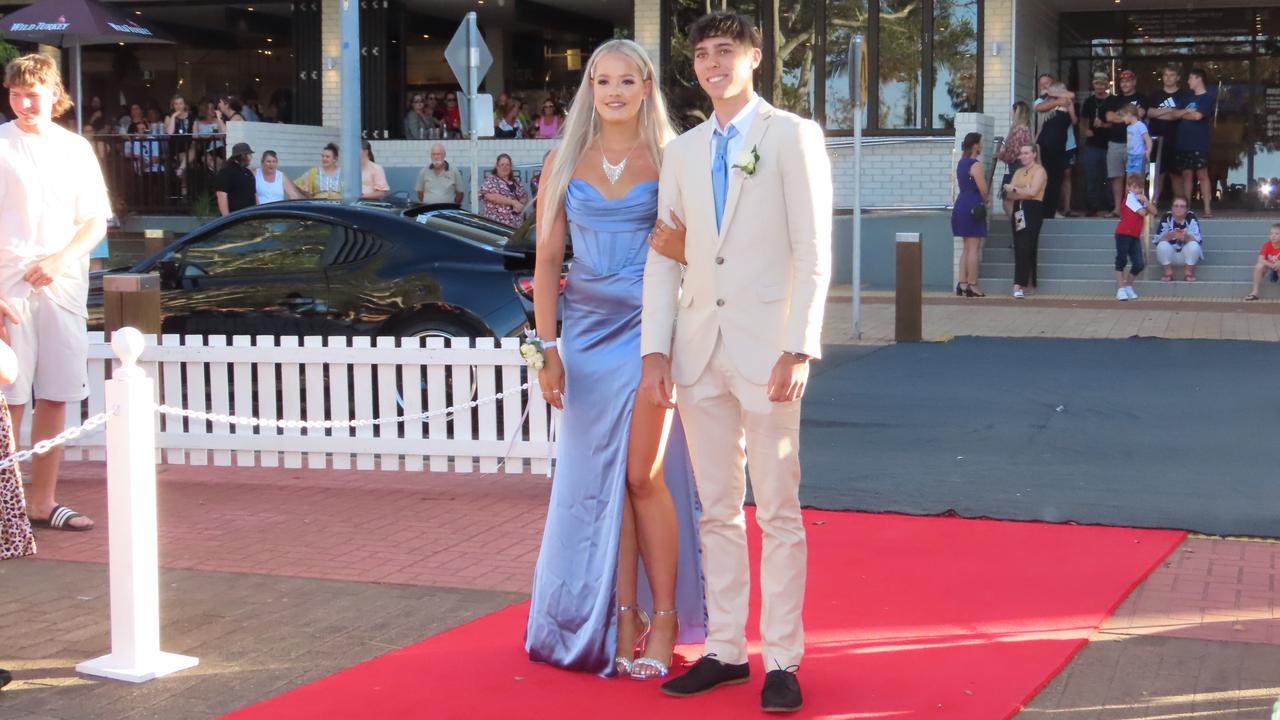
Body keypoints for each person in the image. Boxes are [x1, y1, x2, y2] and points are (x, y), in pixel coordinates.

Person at [641, 12, 832, 713]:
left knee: (778, 509)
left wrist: (801, 343)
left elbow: (814, 250)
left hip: (769, 351)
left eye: (727, 51)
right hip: (697, 355)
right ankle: (725, 650)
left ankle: (782, 657)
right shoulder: (683, 151)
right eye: (702, 53)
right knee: (717, 510)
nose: (713, 63)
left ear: (755, 58)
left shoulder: (792, 138)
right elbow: (666, 256)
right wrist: (655, 350)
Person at [525, 38, 705, 681]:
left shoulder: (672, 157)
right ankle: (620, 619)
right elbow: (547, 264)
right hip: (585, 340)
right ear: (590, 89)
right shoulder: (563, 159)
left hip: (651, 337)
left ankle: (666, 618)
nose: (615, 91)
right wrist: (546, 351)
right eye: (603, 81)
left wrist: (684, 246)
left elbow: (699, 254)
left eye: (627, 81)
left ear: (647, 87)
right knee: (599, 485)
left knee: (641, 476)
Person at [0, 54, 113, 532]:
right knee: (10, 394)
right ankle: (8, 506)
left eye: (34, 93)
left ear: (54, 96)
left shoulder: (76, 149)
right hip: (8, 280)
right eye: (17, 93)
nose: (25, 102)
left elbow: (93, 221)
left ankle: (42, 502)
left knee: (56, 394)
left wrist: (60, 259)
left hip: (63, 283)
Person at [1003, 144, 1048, 299]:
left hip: (1033, 210)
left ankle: (1018, 284)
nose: (1023, 156)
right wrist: (1023, 191)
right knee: (1021, 243)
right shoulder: (1018, 171)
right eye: (1021, 153)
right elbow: (1009, 195)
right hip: (1019, 209)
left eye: (1026, 153)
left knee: (1027, 244)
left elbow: (1033, 192)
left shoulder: (1039, 171)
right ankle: (1028, 283)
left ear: (1034, 154)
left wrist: (1016, 189)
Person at [1104, 70, 1147, 218]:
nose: (1125, 84)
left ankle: (1131, 208)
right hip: (1115, 142)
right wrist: (1128, 116)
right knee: (1116, 177)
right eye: (1122, 81)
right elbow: (1109, 116)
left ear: (1134, 82)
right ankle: (1117, 209)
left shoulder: (1141, 97)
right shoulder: (1114, 99)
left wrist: (1120, 116)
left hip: (1134, 146)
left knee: (1133, 178)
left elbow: (1140, 113)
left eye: (1128, 81)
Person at [952, 132, 989, 297]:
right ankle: (972, 284)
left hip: (961, 204)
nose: (982, 145)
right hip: (973, 205)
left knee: (966, 248)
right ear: (975, 145)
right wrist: (986, 199)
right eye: (981, 143)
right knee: (974, 247)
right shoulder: (976, 165)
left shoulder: (961, 163)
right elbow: (983, 189)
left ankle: (962, 282)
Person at [1175, 68, 1215, 218]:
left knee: (1202, 174)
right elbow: (1174, 113)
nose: (1188, 81)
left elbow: (1199, 116)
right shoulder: (1187, 97)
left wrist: (1184, 113)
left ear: (1198, 79)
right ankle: (1186, 208)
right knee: (1186, 175)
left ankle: (1207, 208)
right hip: (1183, 142)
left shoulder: (1207, 97)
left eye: (1190, 78)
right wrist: (1187, 113)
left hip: (1199, 142)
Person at [1146, 64, 1189, 204]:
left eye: (1171, 75)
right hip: (1157, 140)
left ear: (1178, 78)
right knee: (1158, 174)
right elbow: (1149, 112)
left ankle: (1181, 208)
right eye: (1165, 75)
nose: (1168, 78)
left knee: (1177, 176)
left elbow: (1179, 116)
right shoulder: (1155, 94)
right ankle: (1153, 206)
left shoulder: (1184, 95)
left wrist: (1164, 113)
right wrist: (1170, 110)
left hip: (1177, 140)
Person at [1036, 82, 1075, 220]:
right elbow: (1038, 108)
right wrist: (1055, 99)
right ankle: (1045, 210)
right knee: (1046, 177)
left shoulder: (1067, 100)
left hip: (1059, 144)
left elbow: (1071, 98)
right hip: (1047, 144)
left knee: (1056, 178)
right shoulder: (1049, 105)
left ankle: (1051, 210)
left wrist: (1054, 95)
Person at [1113, 173, 1153, 301]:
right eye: (1134, 187)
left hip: (1134, 235)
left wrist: (1146, 201)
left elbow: (1154, 211)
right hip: (1123, 233)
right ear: (1129, 188)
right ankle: (1120, 288)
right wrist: (1147, 205)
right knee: (1121, 260)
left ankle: (1128, 286)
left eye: (1139, 187)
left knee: (1139, 263)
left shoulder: (1140, 200)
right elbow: (1143, 212)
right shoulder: (1130, 198)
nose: (1137, 190)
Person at [1080, 72, 1114, 216]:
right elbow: (1082, 120)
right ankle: (1092, 207)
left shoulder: (1114, 101)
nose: (1099, 86)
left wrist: (1104, 125)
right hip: (1092, 145)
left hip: (1111, 144)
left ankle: (1111, 206)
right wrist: (1085, 130)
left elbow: (1119, 122)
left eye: (1102, 83)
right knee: (1092, 177)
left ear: (1107, 84)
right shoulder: (1089, 101)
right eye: (1096, 83)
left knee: (1110, 177)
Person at [1154, 197, 1203, 282]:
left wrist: (1185, 236)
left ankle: (1188, 272)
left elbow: (1198, 240)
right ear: (1172, 208)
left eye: (1182, 206)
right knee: (1162, 245)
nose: (1178, 209)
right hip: (1170, 255)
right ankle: (1168, 272)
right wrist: (1172, 234)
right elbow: (1157, 240)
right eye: (1176, 206)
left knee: (1194, 246)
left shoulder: (1191, 217)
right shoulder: (1167, 216)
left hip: (1186, 255)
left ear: (1187, 209)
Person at [998, 101, 1033, 218]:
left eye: (1012, 111)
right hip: (1024, 170)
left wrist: (1000, 154)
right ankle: (1020, 227)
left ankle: (1019, 227)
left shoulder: (1017, 131)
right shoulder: (1027, 130)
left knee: (1009, 201)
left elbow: (1012, 154)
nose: (1010, 113)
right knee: (1017, 202)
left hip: (1016, 170)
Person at [480, 153, 529, 227]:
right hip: (497, 226)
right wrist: (513, 202)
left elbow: (524, 196)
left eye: (507, 164)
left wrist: (520, 205)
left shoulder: (516, 183)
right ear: (497, 166)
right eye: (502, 165)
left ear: (511, 166)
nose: (505, 167)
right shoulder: (491, 180)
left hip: (515, 226)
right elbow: (492, 197)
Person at [214, 142, 256, 216]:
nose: (251, 157)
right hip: (235, 219)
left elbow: (254, 194)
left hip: (250, 217)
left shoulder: (248, 172)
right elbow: (221, 195)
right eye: (249, 154)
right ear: (243, 155)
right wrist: (226, 219)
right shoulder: (226, 172)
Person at [1244, 224, 1280, 302]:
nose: (1273, 236)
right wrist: (1271, 265)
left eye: (1277, 234)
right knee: (1259, 266)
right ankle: (1255, 292)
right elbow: (1260, 259)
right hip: (1268, 267)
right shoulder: (1267, 245)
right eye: (1271, 233)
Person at [1118, 104, 1151, 176]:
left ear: (1129, 114)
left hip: (1139, 156)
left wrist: (1148, 150)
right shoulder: (1128, 127)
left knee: (1138, 179)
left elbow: (1148, 139)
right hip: (1130, 156)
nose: (1122, 119)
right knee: (1130, 178)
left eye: (1123, 116)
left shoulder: (1140, 125)